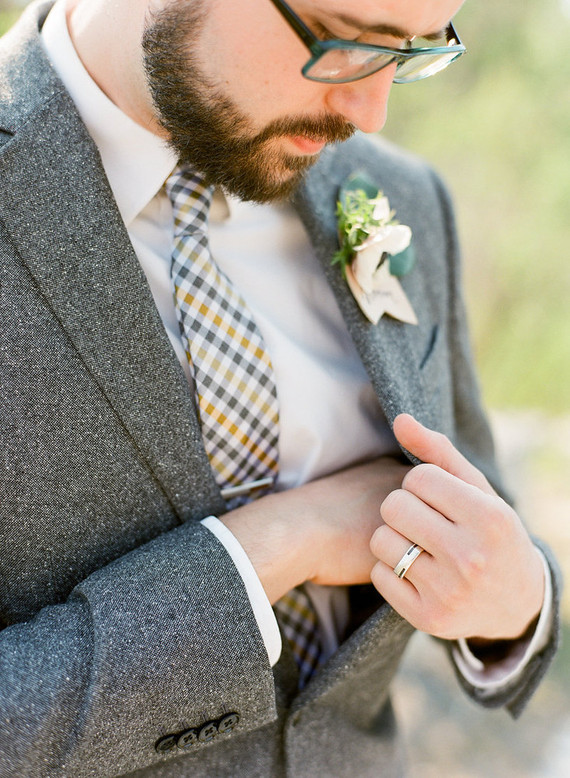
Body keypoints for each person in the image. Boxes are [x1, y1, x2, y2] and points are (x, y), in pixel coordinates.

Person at [0, 0, 561, 776]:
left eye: (408, 50)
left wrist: (516, 606)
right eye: (342, 38)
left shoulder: (402, 200)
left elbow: (488, 516)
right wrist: (275, 547)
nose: (371, 109)